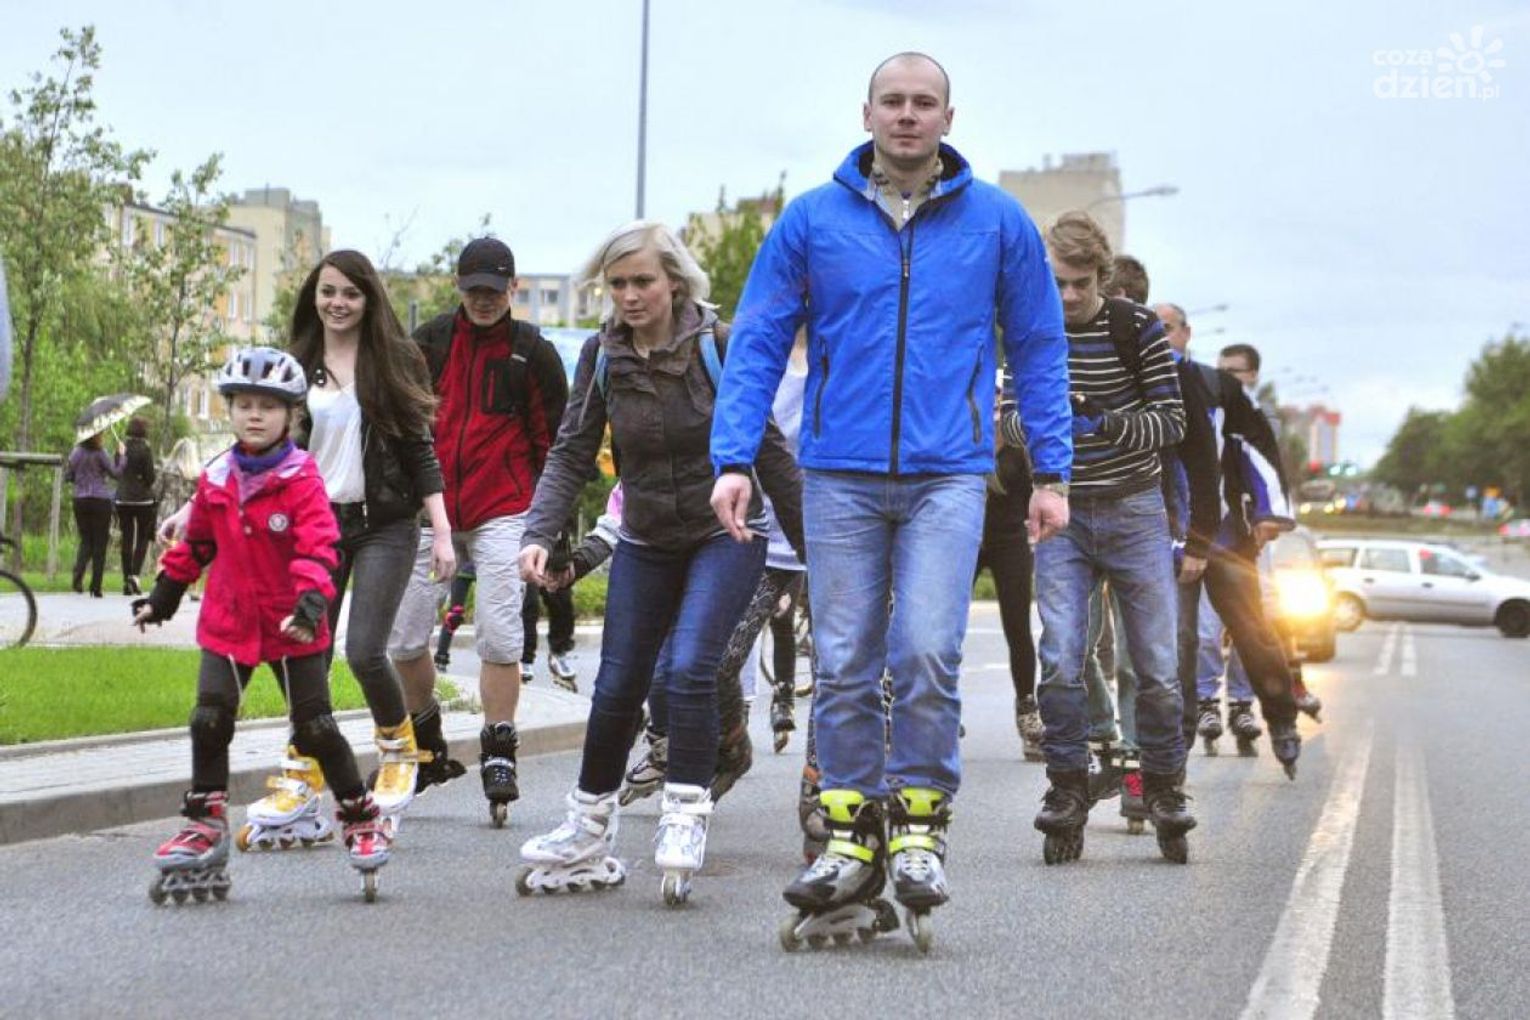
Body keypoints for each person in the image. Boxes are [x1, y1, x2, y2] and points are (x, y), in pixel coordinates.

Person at [708, 52, 1071, 947]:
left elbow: (1038, 345)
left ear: (949, 118)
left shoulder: (998, 222)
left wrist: (1052, 472)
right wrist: (734, 457)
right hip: (839, 473)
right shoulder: (811, 220)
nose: (908, 115)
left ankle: (917, 830)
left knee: (926, 651)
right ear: (866, 113)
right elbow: (758, 341)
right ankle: (844, 835)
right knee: (842, 660)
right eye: (893, 101)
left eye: (924, 103)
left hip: (951, 472)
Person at [516, 220, 802, 904]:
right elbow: (572, 450)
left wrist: (817, 560)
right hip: (646, 539)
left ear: (674, 281)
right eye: (617, 284)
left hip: (725, 534)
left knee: (690, 668)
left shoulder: (719, 346)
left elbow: (769, 454)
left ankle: (684, 812)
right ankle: (587, 827)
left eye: (642, 281)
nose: (629, 295)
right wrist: (539, 530)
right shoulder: (602, 355)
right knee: (617, 683)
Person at [133, 347, 389, 904]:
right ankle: (205, 821)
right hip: (229, 620)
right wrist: (163, 597)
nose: (254, 415)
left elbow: (320, 546)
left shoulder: (301, 477)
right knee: (209, 717)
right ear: (229, 410)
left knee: (314, 728)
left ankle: (359, 813)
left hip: (293, 621)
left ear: (292, 415)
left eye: (268, 407)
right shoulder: (217, 476)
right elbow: (197, 543)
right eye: (244, 405)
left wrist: (311, 604)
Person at [1029, 212, 1194, 866]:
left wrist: (1099, 420)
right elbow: (1008, 420)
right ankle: (1067, 785)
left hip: (1133, 510)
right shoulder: (1031, 326)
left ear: (1102, 277)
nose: (1068, 296)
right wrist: (1042, 424)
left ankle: (1164, 788)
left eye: (1080, 283)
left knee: (1154, 663)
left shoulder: (1136, 328)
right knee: (1060, 656)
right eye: (1057, 283)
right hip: (1062, 514)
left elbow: (1172, 421)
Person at [387, 237, 568, 826]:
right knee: (403, 639)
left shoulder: (531, 353)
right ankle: (427, 739)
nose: (483, 300)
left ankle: (499, 747)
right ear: (458, 288)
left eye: (494, 290)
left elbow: (554, 444)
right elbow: (402, 424)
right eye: (473, 291)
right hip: (429, 508)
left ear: (512, 288)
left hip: (504, 508)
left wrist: (549, 526)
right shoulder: (429, 344)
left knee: (499, 633)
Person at [283, 250, 456, 827]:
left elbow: (419, 451)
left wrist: (442, 532)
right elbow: (264, 447)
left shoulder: (395, 360)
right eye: (328, 292)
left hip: (384, 524)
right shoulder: (297, 363)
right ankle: (303, 769)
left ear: (368, 300)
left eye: (350, 294)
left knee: (363, 650)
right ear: (314, 296)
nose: (338, 303)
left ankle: (399, 752)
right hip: (317, 527)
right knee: (307, 651)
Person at [1154, 305, 1304, 776]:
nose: (1158, 336)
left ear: (1186, 333)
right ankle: (1176, 741)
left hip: (1224, 536)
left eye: (1167, 328)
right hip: (1165, 536)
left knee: (1252, 630)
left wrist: (1267, 511)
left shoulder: (1217, 386)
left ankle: (1281, 717)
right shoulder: (1138, 381)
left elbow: (1258, 448)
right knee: (1177, 640)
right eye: (1150, 328)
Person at [65, 431, 120, 597]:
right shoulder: (101, 453)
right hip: (99, 500)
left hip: (80, 499)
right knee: (100, 544)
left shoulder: (76, 452)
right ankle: (96, 586)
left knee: (86, 540)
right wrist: (122, 456)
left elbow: (69, 475)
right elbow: (116, 473)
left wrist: (80, 478)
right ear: (96, 436)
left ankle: (77, 579)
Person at [114, 418, 156, 596]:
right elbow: (150, 476)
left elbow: (117, 470)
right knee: (143, 537)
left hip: (123, 498)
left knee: (127, 537)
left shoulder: (121, 447)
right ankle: (135, 575)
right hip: (142, 500)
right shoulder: (145, 449)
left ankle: (126, 578)